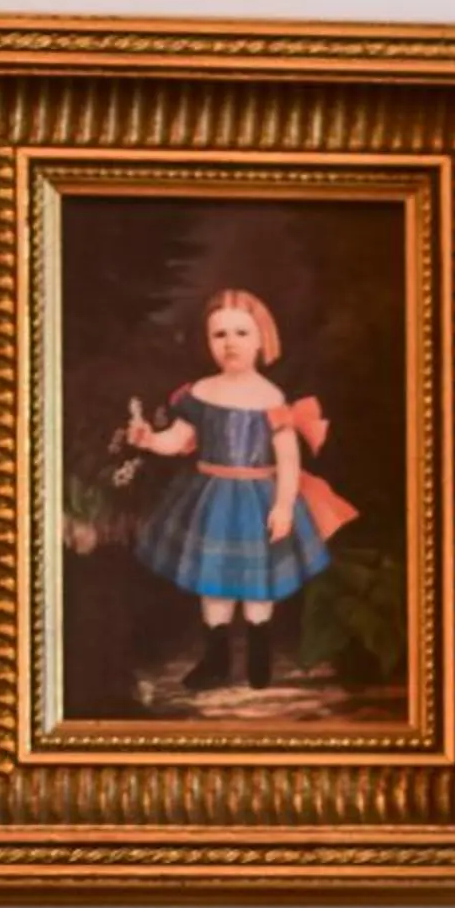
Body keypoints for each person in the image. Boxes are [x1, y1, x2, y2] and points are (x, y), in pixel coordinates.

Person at [126, 288, 356, 691]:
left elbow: (288, 459)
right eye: (220, 335)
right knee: (214, 584)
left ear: (262, 338)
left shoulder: (270, 398)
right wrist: (148, 439)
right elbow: (178, 439)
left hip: (257, 499)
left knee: (256, 584)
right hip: (209, 498)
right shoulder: (199, 393)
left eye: (241, 333)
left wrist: (284, 505)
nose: (230, 343)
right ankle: (215, 659)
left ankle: (259, 654)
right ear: (208, 341)